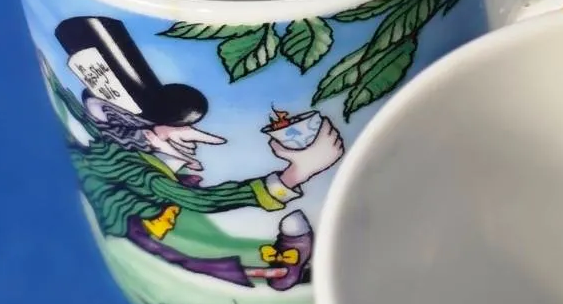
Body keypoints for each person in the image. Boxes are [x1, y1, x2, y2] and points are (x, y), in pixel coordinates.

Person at [46, 16, 343, 289]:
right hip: (131, 216)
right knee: (190, 253)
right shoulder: (144, 173)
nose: (190, 137)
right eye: (175, 127)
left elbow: (74, 103)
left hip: (132, 202)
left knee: (188, 252)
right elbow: (202, 200)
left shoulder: (125, 144)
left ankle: (283, 267)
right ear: (149, 130)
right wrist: (296, 174)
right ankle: (282, 269)